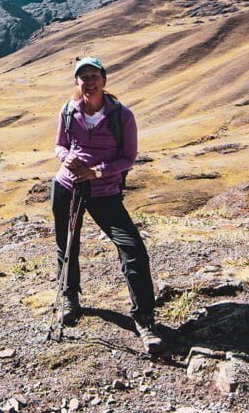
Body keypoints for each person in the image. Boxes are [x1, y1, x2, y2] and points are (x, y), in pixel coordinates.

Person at [52, 57, 163, 353]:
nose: (89, 81)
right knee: (67, 244)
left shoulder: (121, 115)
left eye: (94, 76)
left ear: (104, 79)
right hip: (67, 187)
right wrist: (66, 158)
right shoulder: (68, 110)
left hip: (104, 191)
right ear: (77, 83)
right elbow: (59, 145)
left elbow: (128, 158)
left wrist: (97, 171)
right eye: (83, 77)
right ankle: (69, 297)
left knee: (133, 250)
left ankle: (144, 319)